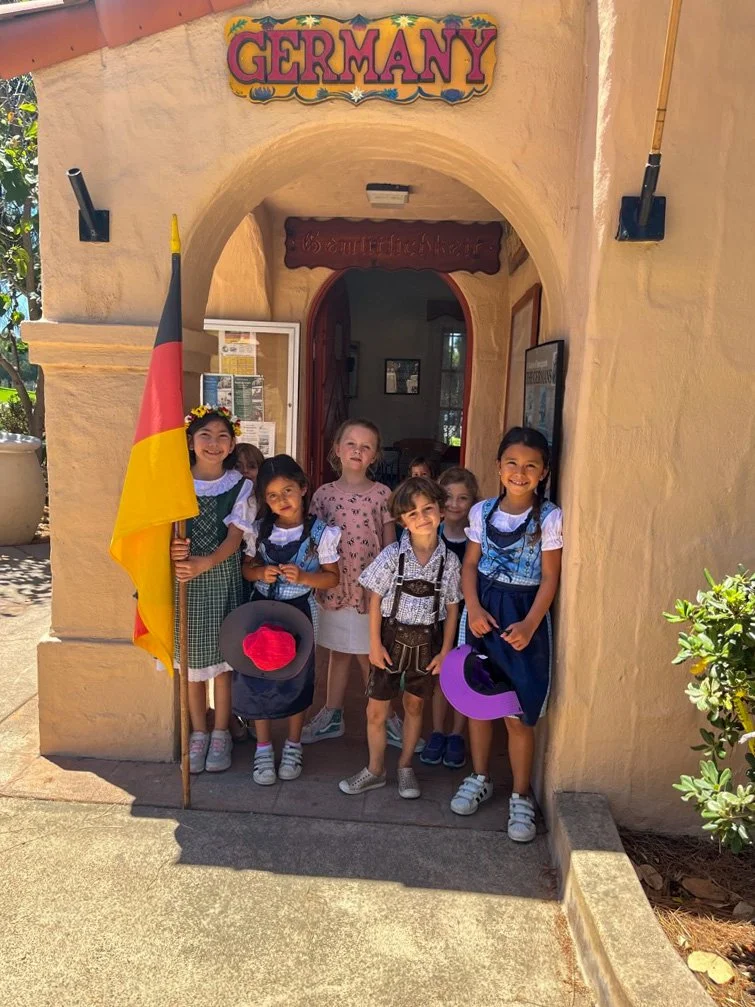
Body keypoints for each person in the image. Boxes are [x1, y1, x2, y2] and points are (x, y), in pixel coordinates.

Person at [450, 427, 562, 843]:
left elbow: (550, 577)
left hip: (522, 618)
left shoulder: (550, 519)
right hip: (483, 618)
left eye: (531, 466)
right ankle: (479, 776)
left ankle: (520, 793)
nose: (520, 472)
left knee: (517, 713)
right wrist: (474, 608)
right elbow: (469, 566)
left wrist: (531, 624)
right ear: (498, 467)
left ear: (543, 472)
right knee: (479, 704)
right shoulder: (481, 513)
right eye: (512, 463)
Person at [339, 477, 461, 799]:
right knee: (376, 712)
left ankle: (406, 766)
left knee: (414, 707)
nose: (421, 518)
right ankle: (375, 769)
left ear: (441, 512)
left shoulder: (449, 561)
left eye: (427, 509)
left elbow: (452, 606)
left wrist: (446, 650)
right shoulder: (393, 555)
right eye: (411, 513)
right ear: (402, 520)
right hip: (390, 641)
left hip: (427, 644)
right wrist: (374, 644)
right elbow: (375, 599)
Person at [302, 418, 410, 748]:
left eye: (366, 447)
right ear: (337, 449)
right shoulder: (323, 495)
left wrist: (392, 587)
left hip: (371, 593)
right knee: (338, 652)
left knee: (370, 655)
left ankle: (386, 716)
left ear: (375, 456)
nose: (357, 451)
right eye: (351, 444)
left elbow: (392, 544)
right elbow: (312, 542)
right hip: (335, 587)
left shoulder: (382, 495)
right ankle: (332, 714)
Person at [242, 455, 340, 785]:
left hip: (299, 613)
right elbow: (247, 568)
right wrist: (260, 572)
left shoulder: (321, 534)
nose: (281, 500)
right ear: (264, 501)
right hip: (261, 611)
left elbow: (331, 578)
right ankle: (264, 746)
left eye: (287, 490)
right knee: (259, 677)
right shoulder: (258, 530)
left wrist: (303, 578)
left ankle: (294, 743)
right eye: (272, 496)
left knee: (296, 677)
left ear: (302, 487)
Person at [170, 405, 257, 774]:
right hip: (184, 584)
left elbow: (235, 537)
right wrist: (171, 548)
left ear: (232, 443)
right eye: (205, 435)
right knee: (191, 664)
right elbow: (162, 529)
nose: (213, 443)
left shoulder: (240, 486)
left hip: (221, 580)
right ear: (190, 441)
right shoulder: (174, 483)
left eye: (223, 436)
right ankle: (198, 733)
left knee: (223, 665)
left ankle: (221, 731)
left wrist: (205, 562)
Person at [421, 466, 480, 770]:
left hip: (467, 614)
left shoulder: (476, 537)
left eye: (463, 498)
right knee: (440, 674)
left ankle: (457, 733)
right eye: (449, 497)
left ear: (473, 502)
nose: (455, 504)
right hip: (437, 614)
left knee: (464, 674)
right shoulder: (432, 533)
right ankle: (438, 730)